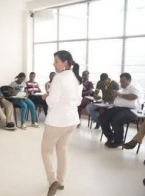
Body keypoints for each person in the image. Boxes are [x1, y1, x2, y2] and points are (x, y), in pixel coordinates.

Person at [41, 50, 82, 196]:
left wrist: (46, 96)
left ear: (65, 62)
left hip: (57, 121)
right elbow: (78, 101)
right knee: (62, 150)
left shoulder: (59, 78)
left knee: (46, 151)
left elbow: (52, 101)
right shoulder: (76, 77)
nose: (54, 63)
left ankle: (53, 181)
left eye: (56, 61)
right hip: (72, 121)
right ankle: (61, 181)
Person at [98, 72, 143, 148]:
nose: (121, 83)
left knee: (116, 119)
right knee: (102, 117)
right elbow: (116, 99)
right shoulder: (122, 89)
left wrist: (119, 95)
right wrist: (114, 96)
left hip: (131, 110)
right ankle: (111, 136)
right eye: (120, 81)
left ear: (129, 80)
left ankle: (118, 141)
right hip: (117, 108)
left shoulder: (133, 87)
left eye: (123, 81)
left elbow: (134, 96)